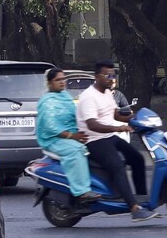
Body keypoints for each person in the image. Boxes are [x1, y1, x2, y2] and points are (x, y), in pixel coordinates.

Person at [76, 61, 158, 222]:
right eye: (108, 75)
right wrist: (118, 129)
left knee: (137, 159)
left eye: (113, 75)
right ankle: (134, 209)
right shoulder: (88, 97)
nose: (111, 78)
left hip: (109, 136)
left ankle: (142, 200)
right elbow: (92, 124)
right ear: (97, 77)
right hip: (94, 140)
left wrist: (132, 118)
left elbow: (114, 115)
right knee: (118, 167)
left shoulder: (107, 93)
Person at [36, 67, 96, 203]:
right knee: (76, 150)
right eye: (58, 80)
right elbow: (51, 127)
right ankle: (82, 191)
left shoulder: (65, 96)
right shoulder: (48, 102)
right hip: (54, 139)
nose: (62, 82)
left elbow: (75, 116)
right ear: (50, 83)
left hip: (71, 134)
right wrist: (73, 136)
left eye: (63, 79)